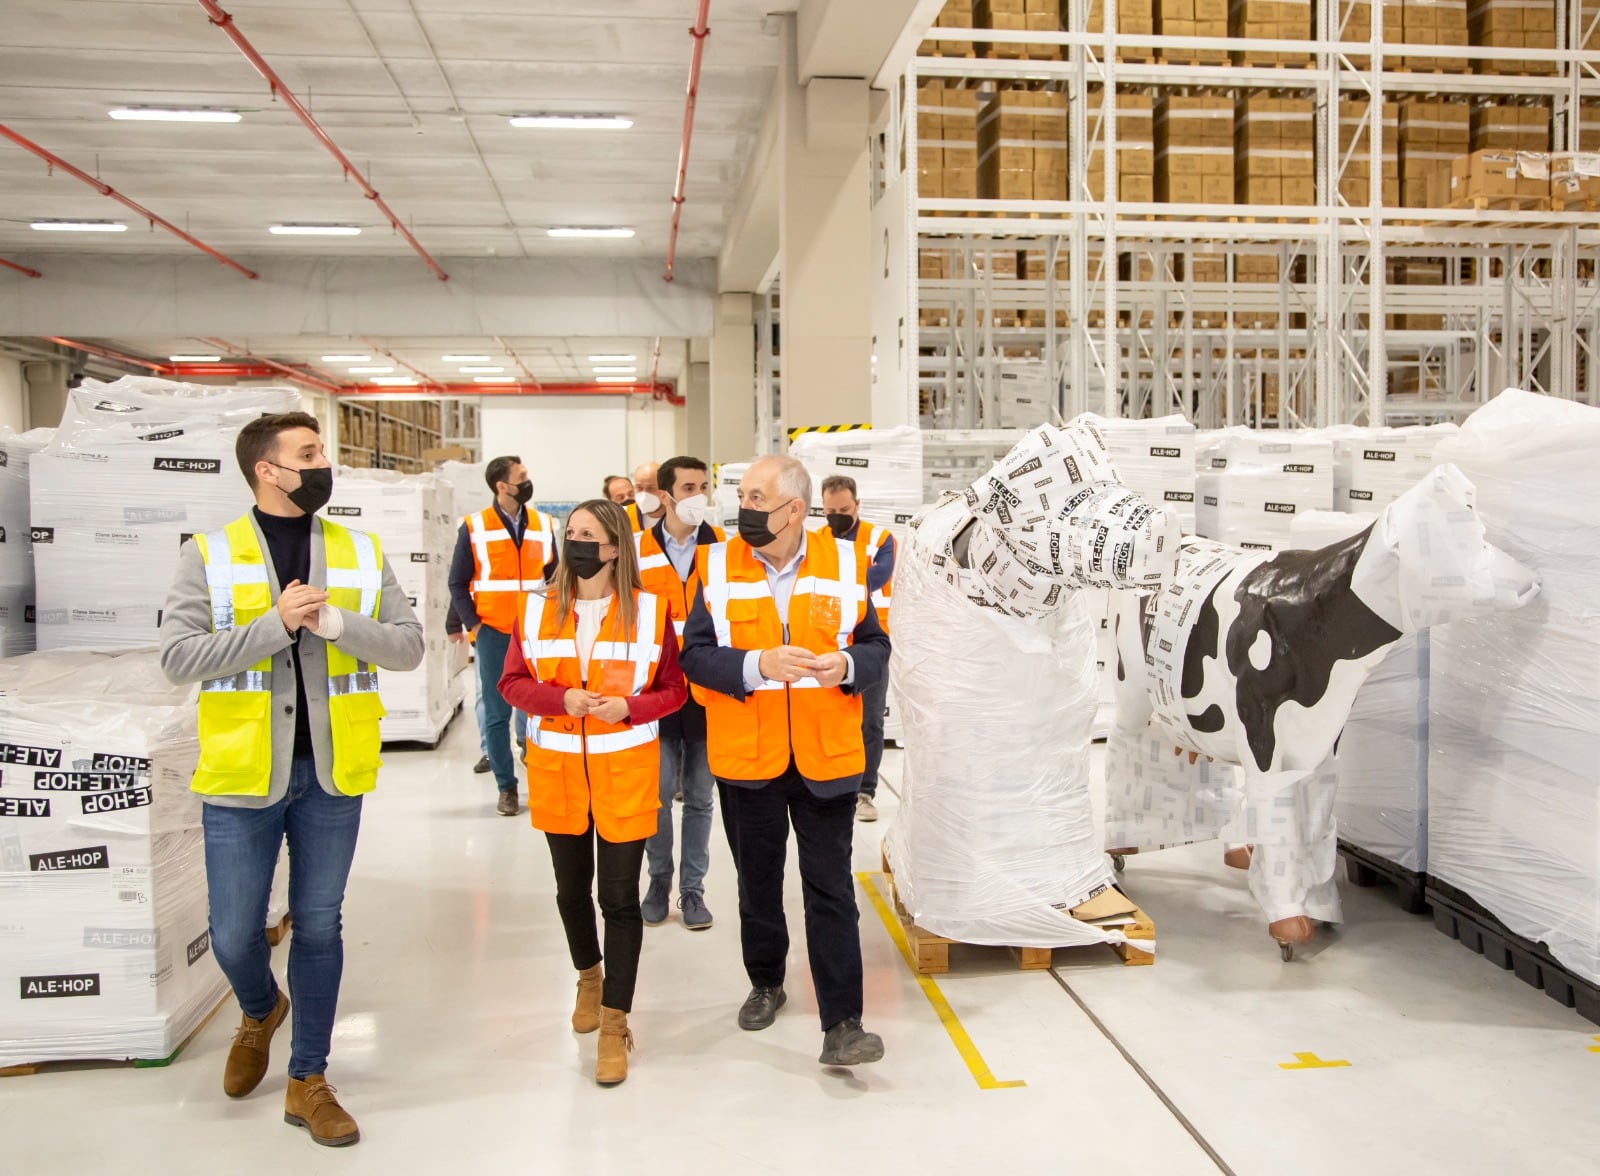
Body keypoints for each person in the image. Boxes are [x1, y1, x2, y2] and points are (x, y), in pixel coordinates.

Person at [159, 411, 425, 1148]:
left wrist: (340, 626)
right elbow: (179, 658)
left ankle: (309, 1077)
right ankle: (258, 1008)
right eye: (307, 454)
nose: (322, 464)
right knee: (234, 932)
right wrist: (275, 625)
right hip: (242, 776)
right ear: (266, 471)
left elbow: (408, 647)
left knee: (319, 923)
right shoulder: (208, 555)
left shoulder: (359, 552)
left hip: (333, 774)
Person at [679, 455, 891, 1068]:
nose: (742, 507)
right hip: (749, 758)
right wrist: (755, 666)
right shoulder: (716, 565)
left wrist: (847, 666)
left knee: (831, 890)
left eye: (755, 497)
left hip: (825, 758)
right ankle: (766, 980)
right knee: (758, 884)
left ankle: (843, 1023)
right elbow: (693, 656)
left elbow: (876, 646)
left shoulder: (846, 564)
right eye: (742, 495)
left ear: (794, 510)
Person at [499, 499, 685, 1086]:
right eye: (569, 533)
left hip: (624, 770)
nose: (573, 542)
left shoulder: (651, 612)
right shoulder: (534, 610)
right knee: (570, 890)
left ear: (612, 548)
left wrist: (630, 706)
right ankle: (588, 975)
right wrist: (560, 700)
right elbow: (511, 682)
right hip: (557, 771)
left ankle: (614, 1021)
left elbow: (674, 691)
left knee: (621, 899)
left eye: (586, 534)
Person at [635, 456, 724, 931]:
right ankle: (658, 882)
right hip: (654, 688)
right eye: (689, 487)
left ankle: (693, 890)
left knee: (700, 798)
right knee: (656, 796)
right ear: (666, 495)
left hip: (708, 690)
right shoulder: (635, 550)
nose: (699, 496)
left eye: (703, 486)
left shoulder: (726, 550)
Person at [448, 456, 558, 816]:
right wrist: (474, 626)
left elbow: (555, 577)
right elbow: (457, 582)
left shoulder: (544, 524)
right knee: (497, 714)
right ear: (502, 486)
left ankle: (539, 772)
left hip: (536, 631)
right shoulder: (475, 526)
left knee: (540, 708)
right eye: (521, 477)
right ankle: (506, 787)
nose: (527, 482)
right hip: (494, 632)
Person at [820, 475, 897, 823]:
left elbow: (877, 578)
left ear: (858, 505)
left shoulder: (879, 539)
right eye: (830, 511)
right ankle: (831, 785)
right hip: (825, 641)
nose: (837, 517)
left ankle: (865, 792)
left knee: (870, 722)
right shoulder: (814, 540)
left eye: (844, 510)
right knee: (827, 718)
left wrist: (835, 575)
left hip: (869, 643)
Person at [446, 601, 492, 774]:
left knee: (527, 695)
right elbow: (460, 584)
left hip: (526, 633)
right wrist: (453, 623)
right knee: (484, 695)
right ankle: (490, 753)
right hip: (486, 634)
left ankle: (527, 746)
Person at [626, 461, 665, 534]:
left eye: (651, 488)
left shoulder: (681, 519)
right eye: (639, 488)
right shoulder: (623, 516)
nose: (644, 495)